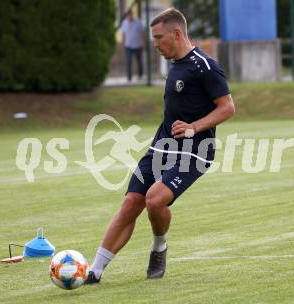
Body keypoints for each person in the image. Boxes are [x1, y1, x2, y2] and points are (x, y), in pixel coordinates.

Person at [85, 7, 235, 283]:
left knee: (154, 200)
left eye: (158, 37)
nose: (154, 44)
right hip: (160, 147)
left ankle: (159, 246)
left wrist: (194, 127)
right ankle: (93, 271)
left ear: (177, 34)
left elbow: (227, 108)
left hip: (195, 152)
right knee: (131, 202)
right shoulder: (174, 63)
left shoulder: (205, 66)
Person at [120, 10, 145, 82]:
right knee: (128, 62)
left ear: (132, 15)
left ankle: (140, 75)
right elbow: (123, 34)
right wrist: (123, 43)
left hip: (138, 45)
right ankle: (129, 78)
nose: (129, 17)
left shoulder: (138, 22)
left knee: (140, 62)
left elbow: (142, 32)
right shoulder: (124, 23)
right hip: (128, 46)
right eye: (127, 16)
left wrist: (143, 43)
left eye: (130, 15)